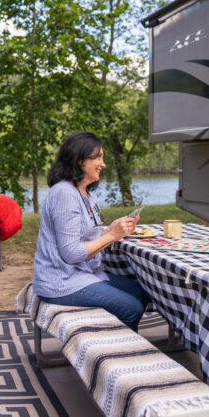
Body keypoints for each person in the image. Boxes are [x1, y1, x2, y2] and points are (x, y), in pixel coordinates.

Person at [32, 132, 149, 330]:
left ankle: (115, 337)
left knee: (142, 291)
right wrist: (112, 236)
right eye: (98, 157)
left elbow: (84, 237)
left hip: (84, 273)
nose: (103, 164)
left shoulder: (83, 194)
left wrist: (112, 230)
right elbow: (72, 253)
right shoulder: (64, 193)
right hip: (61, 281)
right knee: (132, 308)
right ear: (79, 161)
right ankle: (115, 353)